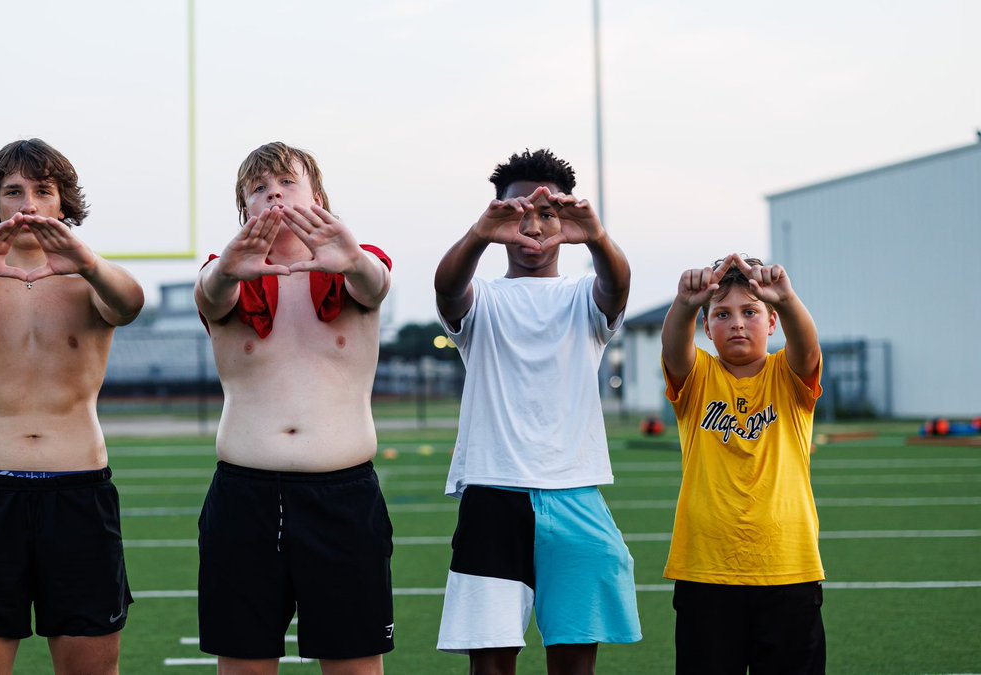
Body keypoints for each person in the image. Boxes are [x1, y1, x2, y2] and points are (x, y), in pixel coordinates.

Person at [0, 138, 144, 675]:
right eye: (13, 191)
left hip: (78, 492)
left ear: (63, 204)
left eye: (43, 191)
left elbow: (129, 303)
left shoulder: (89, 277)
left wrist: (85, 261)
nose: (28, 204)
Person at [433, 149, 641, 675]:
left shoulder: (581, 297)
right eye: (517, 210)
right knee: (491, 665)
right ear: (497, 215)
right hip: (492, 491)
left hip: (574, 492)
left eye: (547, 212)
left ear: (565, 219)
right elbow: (447, 288)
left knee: (574, 662)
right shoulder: (482, 297)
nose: (532, 223)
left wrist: (595, 236)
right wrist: (479, 235)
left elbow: (616, 288)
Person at [193, 141, 394, 675]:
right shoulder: (222, 274)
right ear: (245, 211)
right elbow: (213, 298)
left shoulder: (358, 266)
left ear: (318, 196)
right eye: (258, 188)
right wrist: (231, 269)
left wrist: (349, 256)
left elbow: (375, 283)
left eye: (287, 181)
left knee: (354, 666)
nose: (273, 193)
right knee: (243, 666)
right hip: (244, 495)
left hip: (343, 495)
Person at [660, 253, 825, 675]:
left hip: (788, 568)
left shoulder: (788, 377)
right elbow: (674, 347)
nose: (736, 322)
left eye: (750, 312)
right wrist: (683, 303)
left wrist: (786, 299)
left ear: (772, 323)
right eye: (722, 314)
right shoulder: (697, 379)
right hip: (706, 569)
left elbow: (806, 347)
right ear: (707, 328)